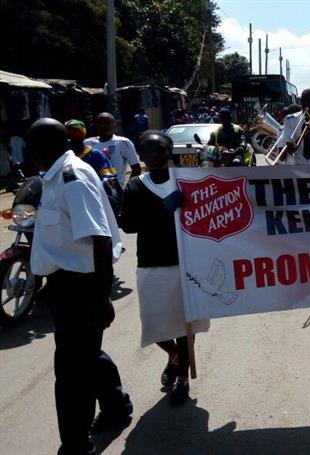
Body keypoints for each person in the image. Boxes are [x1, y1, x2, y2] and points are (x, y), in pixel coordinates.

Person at [27, 118, 131, 455]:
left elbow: (100, 238)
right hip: (67, 283)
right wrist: (51, 281)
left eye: (30, 147)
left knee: (72, 373)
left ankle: (75, 445)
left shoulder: (73, 179)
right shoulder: (55, 176)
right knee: (85, 357)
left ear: (40, 149)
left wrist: (101, 298)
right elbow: (61, 238)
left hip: (83, 287)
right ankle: (116, 406)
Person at [120, 131, 210, 406]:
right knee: (155, 325)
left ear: (170, 152)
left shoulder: (185, 181)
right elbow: (128, 225)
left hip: (187, 263)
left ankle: (182, 378)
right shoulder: (134, 187)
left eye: (161, 149)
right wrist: (163, 209)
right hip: (152, 264)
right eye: (150, 150)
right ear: (141, 156)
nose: (156, 155)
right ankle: (174, 355)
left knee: (186, 325)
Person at [65, 120, 123, 218]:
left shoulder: (95, 155)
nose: (69, 139)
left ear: (81, 136)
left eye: (73, 135)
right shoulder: (65, 158)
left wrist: (95, 188)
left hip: (96, 202)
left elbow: (110, 177)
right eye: (67, 136)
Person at [84, 113, 141, 188]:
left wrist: (127, 189)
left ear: (114, 125)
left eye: (107, 123)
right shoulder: (87, 143)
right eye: (100, 123)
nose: (103, 126)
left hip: (115, 191)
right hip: (95, 190)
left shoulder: (123, 143)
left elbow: (136, 169)